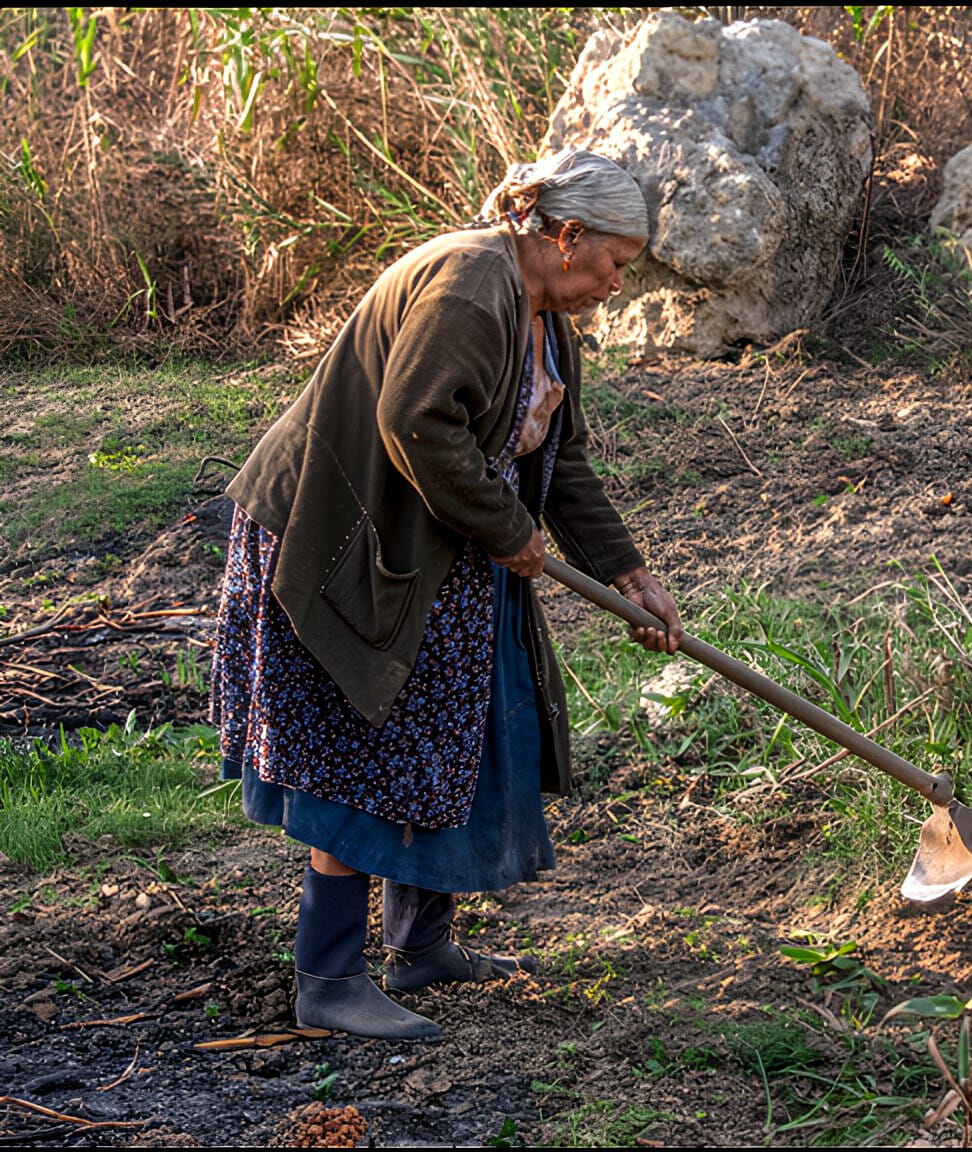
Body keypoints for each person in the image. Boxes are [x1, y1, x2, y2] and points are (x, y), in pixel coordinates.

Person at [210, 149, 683, 1040]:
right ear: (569, 235)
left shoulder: (542, 316)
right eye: (618, 262)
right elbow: (414, 422)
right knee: (359, 749)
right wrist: (510, 533)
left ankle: (421, 949)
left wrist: (629, 572)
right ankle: (327, 980)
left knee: (446, 736)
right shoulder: (472, 286)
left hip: (434, 545)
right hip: (340, 538)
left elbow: (561, 460)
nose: (618, 283)